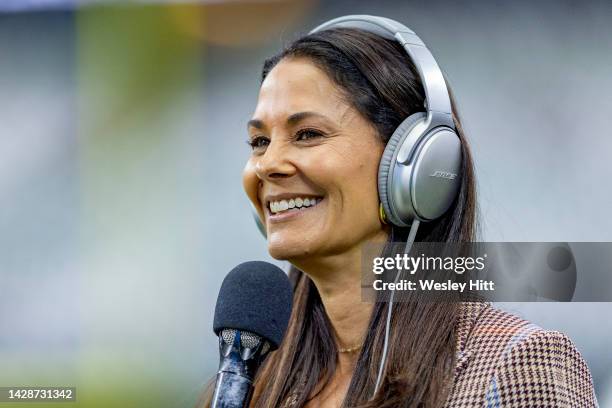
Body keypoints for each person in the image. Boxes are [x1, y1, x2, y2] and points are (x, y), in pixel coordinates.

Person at [204, 17, 597, 408]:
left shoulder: (517, 366)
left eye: (308, 134)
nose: (267, 164)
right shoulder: (254, 379)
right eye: (259, 141)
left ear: (415, 165)